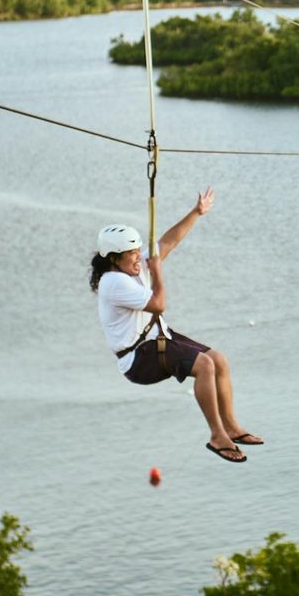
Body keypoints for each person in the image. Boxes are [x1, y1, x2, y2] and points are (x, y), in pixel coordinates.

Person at [90, 188, 261, 463]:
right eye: (131, 254)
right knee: (205, 365)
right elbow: (159, 304)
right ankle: (217, 436)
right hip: (138, 359)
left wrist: (197, 212)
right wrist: (156, 271)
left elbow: (168, 243)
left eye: (137, 251)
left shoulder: (130, 268)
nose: (138, 257)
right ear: (113, 258)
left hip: (157, 340)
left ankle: (231, 426)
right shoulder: (114, 282)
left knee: (219, 360)